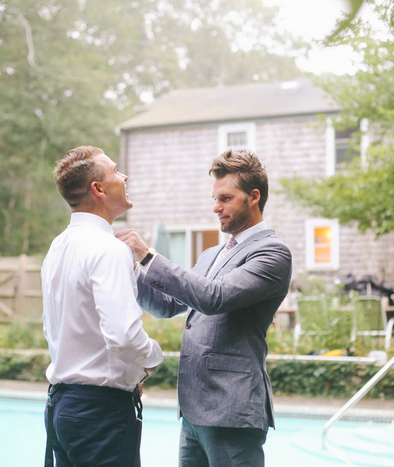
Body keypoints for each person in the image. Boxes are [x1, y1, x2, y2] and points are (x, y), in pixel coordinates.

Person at [118, 149, 292, 467]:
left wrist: (148, 256)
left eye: (225, 198)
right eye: (215, 198)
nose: (216, 207)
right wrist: (130, 268)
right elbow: (166, 306)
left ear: (254, 197)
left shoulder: (272, 253)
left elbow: (213, 298)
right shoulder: (211, 254)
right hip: (194, 410)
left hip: (232, 409)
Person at [41, 145, 163, 467]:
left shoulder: (57, 247)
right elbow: (123, 336)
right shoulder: (108, 249)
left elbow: (51, 327)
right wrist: (152, 358)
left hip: (62, 409)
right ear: (98, 189)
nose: (125, 176)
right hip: (100, 416)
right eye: (116, 172)